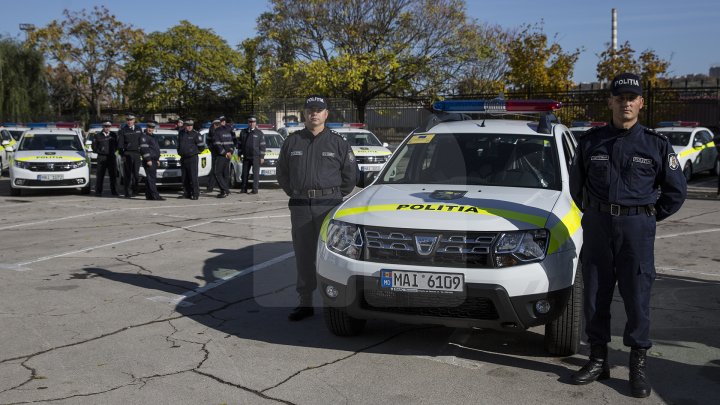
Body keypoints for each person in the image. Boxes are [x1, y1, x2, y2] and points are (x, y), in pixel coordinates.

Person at [569, 73, 687, 398]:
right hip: (598, 226)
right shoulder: (590, 142)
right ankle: (597, 359)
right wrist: (596, 213)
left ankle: (637, 364)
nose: (626, 103)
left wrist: (647, 216)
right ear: (610, 102)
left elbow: (676, 193)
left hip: (637, 230)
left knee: (637, 297)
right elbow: (576, 187)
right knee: (594, 293)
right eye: (620, 98)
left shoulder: (656, 144)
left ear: (640, 103)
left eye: (632, 98)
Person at [277, 96, 357, 321]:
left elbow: (351, 175)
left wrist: (334, 195)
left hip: (328, 206)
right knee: (304, 255)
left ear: (326, 114)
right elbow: (281, 172)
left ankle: (335, 301)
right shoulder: (292, 141)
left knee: (333, 254)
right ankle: (305, 302)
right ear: (305, 114)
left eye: (319, 110)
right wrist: (293, 191)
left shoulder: (337, 142)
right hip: (301, 206)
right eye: (310, 110)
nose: (314, 113)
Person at [117, 114, 144, 198]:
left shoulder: (138, 129)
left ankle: (135, 190)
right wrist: (122, 155)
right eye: (128, 120)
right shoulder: (123, 130)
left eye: (131, 120)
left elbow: (142, 141)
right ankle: (127, 192)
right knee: (128, 174)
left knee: (136, 174)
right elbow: (120, 144)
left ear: (134, 120)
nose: (129, 121)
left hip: (137, 154)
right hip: (127, 154)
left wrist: (142, 152)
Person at [178, 119, 205, 200]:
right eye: (188, 125)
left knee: (193, 177)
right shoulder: (181, 133)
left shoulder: (196, 134)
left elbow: (201, 146)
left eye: (191, 125)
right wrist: (179, 151)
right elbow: (179, 144)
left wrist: (195, 152)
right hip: (183, 157)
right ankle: (186, 193)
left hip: (192, 158)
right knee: (185, 177)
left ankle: (195, 193)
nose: (189, 127)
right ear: (185, 125)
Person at [239, 116, 266, 194]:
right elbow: (240, 144)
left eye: (253, 122)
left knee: (255, 174)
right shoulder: (243, 132)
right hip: (246, 156)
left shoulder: (259, 133)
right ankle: (244, 188)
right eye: (250, 122)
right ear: (248, 123)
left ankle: (255, 189)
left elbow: (263, 146)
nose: (251, 124)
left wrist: (262, 157)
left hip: (255, 157)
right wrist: (239, 154)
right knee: (244, 174)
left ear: (255, 123)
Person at [92, 121, 119, 197]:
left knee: (113, 176)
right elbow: (94, 147)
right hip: (101, 157)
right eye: (105, 126)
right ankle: (98, 191)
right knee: (100, 175)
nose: (107, 128)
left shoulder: (114, 135)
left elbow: (117, 145)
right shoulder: (97, 135)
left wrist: (113, 151)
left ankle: (114, 191)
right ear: (103, 127)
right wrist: (101, 151)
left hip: (111, 157)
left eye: (109, 126)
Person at [139, 121, 164, 201]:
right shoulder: (144, 136)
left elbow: (155, 149)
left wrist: (157, 159)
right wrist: (148, 159)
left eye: (152, 128)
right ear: (147, 128)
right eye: (149, 128)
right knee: (151, 179)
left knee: (149, 178)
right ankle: (155, 196)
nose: (150, 129)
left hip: (154, 160)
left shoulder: (152, 136)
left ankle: (149, 195)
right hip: (149, 160)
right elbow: (144, 149)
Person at [211, 116, 235, 198]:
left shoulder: (216, 132)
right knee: (225, 173)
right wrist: (230, 152)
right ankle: (224, 191)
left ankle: (225, 190)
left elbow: (217, 145)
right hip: (228, 156)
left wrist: (224, 153)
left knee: (217, 173)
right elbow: (232, 143)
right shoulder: (227, 132)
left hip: (221, 156)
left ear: (215, 124)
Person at [205, 118, 221, 193]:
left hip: (221, 153)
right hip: (215, 152)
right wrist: (211, 148)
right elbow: (208, 142)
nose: (217, 126)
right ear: (213, 125)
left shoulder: (220, 131)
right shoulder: (212, 131)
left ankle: (214, 187)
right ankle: (210, 187)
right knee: (215, 170)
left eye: (218, 124)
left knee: (218, 170)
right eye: (216, 124)